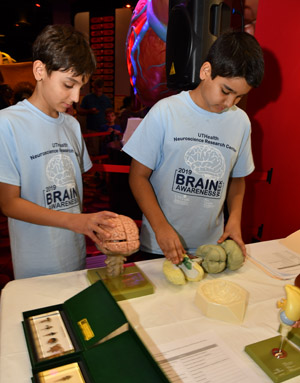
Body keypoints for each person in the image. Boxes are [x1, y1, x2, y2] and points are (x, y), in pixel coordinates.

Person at [123, 31, 264, 265]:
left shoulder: (240, 122)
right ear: (206, 71)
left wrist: (234, 221)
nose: (230, 103)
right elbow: (137, 177)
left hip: (211, 247)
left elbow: (238, 179)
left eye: (239, 97)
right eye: (226, 91)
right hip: (161, 245)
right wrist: (161, 228)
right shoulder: (165, 112)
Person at [0, 24, 118, 279]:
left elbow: (75, 192)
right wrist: (77, 222)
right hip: (35, 262)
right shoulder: (8, 123)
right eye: (68, 84)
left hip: (74, 253)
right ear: (40, 70)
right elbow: (9, 203)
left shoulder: (72, 125)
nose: (76, 97)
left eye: (81, 87)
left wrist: (88, 225)